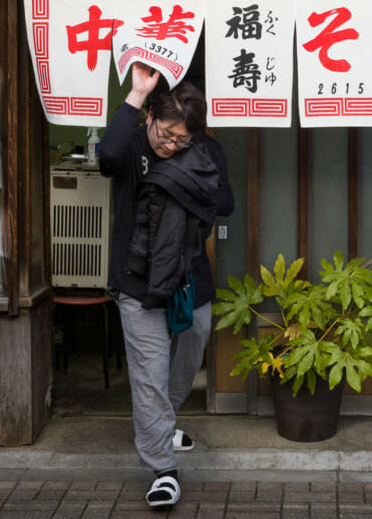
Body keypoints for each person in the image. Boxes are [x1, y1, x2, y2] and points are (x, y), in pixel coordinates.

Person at [98, 62, 232, 511]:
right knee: (149, 373)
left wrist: (184, 178)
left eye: (182, 140)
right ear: (151, 118)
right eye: (166, 136)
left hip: (189, 276)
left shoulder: (203, 152)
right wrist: (135, 94)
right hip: (137, 282)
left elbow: (226, 201)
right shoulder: (133, 144)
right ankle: (163, 468)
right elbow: (105, 158)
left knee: (194, 342)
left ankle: (162, 421)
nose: (171, 146)